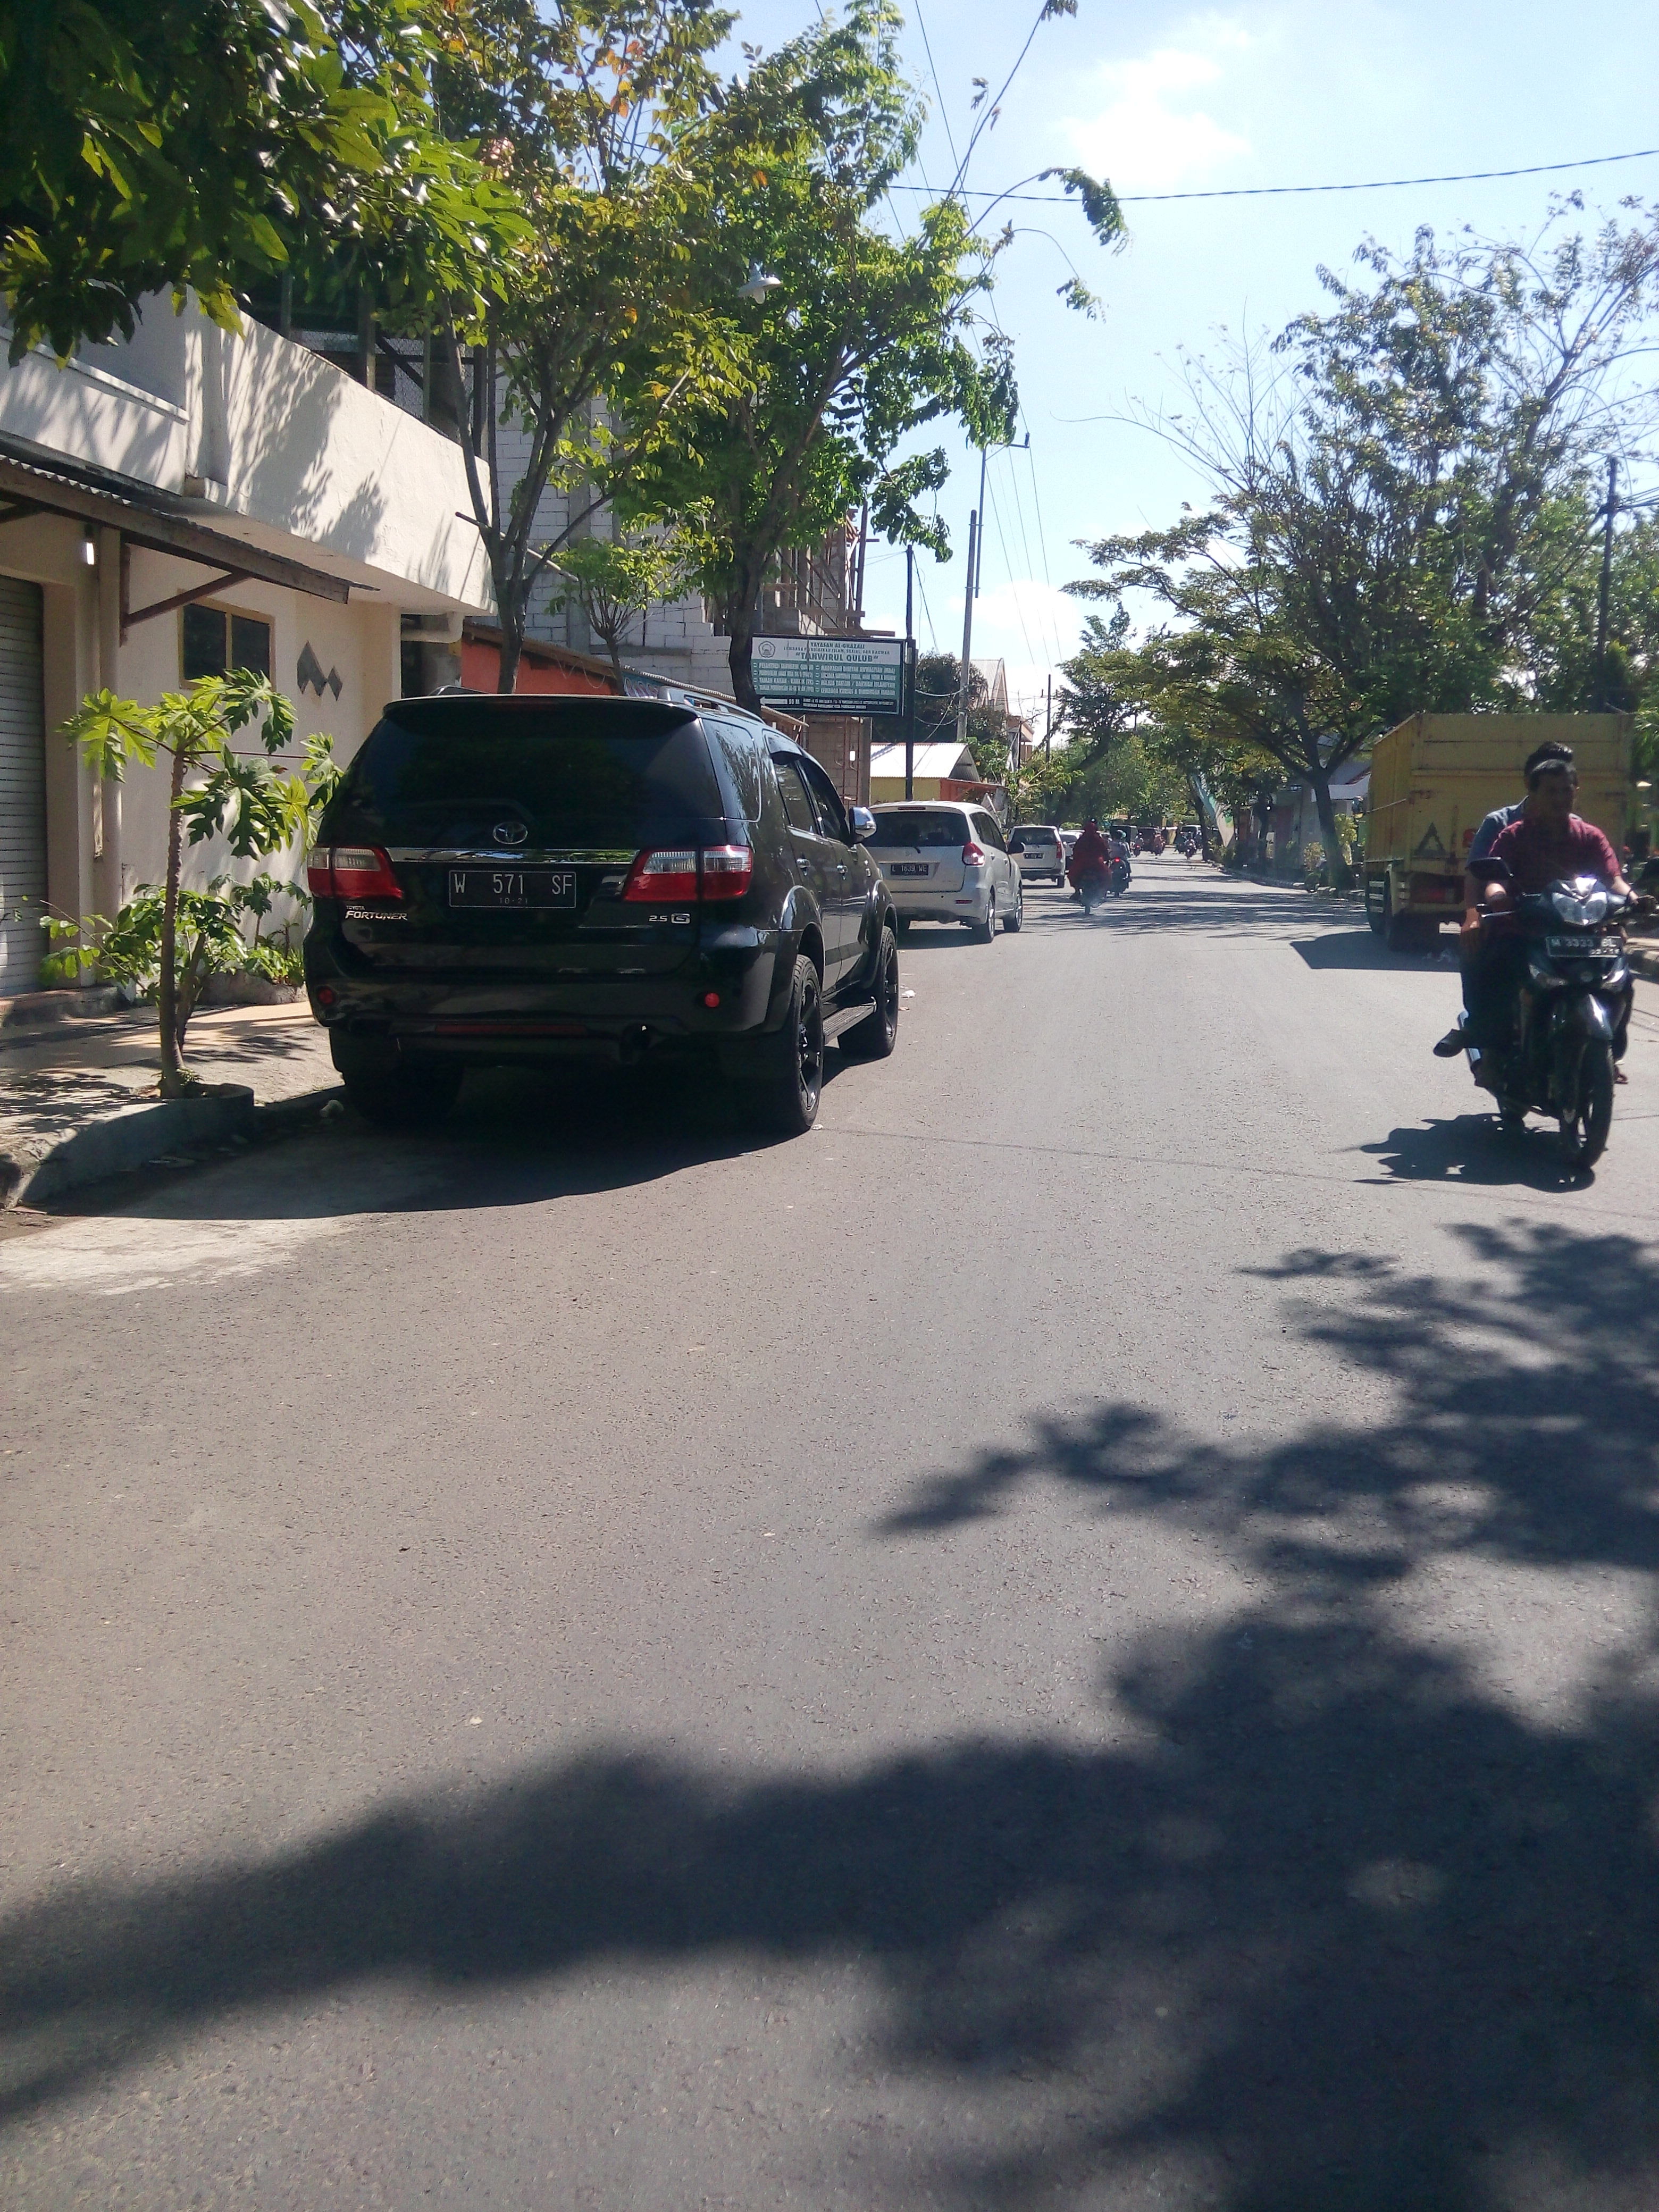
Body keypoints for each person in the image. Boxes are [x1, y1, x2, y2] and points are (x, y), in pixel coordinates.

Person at [1444, 754, 1634, 1055]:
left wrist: (1634, 901)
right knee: (1488, 958)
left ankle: (1611, 1050)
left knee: (1621, 973)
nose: (1560, 798)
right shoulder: (1511, 832)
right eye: (1551, 791)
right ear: (1532, 792)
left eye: (1566, 790)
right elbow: (1490, 877)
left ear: (1576, 791)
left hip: (1582, 932)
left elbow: (1613, 879)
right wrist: (1494, 900)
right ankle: (1483, 1035)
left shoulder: (1590, 835)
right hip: (1526, 928)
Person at [1432, 739, 1583, 1057]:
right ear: (1533, 784)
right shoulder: (1501, 824)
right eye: (1550, 783)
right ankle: (1480, 1031)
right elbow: (1478, 873)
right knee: (1477, 947)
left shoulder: (1581, 830)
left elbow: (1603, 875)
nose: (1559, 792)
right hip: (1510, 920)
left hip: (1564, 924)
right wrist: (1473, 915)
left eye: (1565, 782)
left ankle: (1599, 1045)